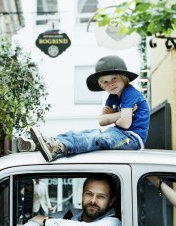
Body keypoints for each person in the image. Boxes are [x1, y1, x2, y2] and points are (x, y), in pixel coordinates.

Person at [18, 55, 149, 162]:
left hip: (132, 139)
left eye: (114, 78)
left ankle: (59, 148)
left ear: (124, 78)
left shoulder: (129, 93)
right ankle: (44, 143)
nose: (111, 84)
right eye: (105, 82)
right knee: (86, 133)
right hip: (117, 133)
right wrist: (120, 114)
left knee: (97, 138)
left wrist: (113, 117)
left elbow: (125, 124)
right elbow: (102, 121)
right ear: (102, 86)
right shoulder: (112, 97)